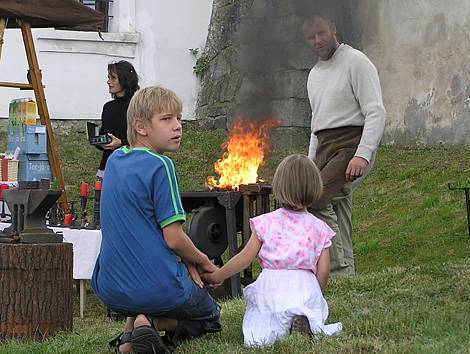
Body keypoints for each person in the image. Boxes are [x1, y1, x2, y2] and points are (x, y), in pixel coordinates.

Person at [91, 86, 221, 354]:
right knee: (211, 316)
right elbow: (173, 239)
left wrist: (188, 260)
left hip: (110, 287)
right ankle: (148, 323)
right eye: (167, 119)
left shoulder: (115, 160)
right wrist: (203, 260)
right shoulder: (161, 166)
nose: (177, 127)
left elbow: (145, 231)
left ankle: (132, 332)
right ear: (140, 126)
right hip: (157, 287)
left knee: (145, 280)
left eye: (179, 119)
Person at [202, 154, 342, 347]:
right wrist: (315, 291)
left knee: (261, 327)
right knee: (306, 309)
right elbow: (324, 271)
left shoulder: (266, 223)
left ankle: (277, 327)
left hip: (271, 287)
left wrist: (218, 275)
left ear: (279, 187)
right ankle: (301, 319)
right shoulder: (319, 228)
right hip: (304, 287)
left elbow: (244, 259)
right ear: (315, 188)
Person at [302, 14, 386, 275]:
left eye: (321, 33)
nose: (317, 40)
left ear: (333, 28)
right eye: (311, 37)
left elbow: (376, 112)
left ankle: (338, 269)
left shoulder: (355, 61)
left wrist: (362, 155)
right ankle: (346, 272)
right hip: (325, 149)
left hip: (352, 145)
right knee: (337, 203)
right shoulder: (314, 75)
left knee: (314, 198)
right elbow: (316, 127)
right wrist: (309, 163)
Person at [95, 60, 139, 179]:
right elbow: (106, 136)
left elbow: (146, 140)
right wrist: (98, 141)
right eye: (108, 77)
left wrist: (120, 143)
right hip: (107, 167)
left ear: (125, 79)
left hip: (131, 168)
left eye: (113, 78)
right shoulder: (108, 107)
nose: (108, 81)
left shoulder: (139, 106)